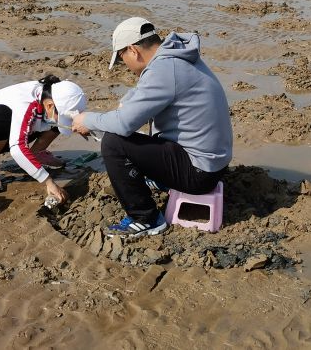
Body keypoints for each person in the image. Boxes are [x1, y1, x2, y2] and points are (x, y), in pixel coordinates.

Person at [72, 17, 233, 238]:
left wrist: (87, 120)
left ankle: (146, 218)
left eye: (121, 59)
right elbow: (141, 98)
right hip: (213, 162)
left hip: (200, 174)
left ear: (132, 51)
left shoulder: (164, 69)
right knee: (130, 134)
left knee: (114, 142)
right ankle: (161, 179)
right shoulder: (175, 58)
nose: (125, 67)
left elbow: (124, 123)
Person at [0, 76, 88, 202]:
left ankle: (36, 154)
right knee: (1, 113)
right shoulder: (26, 103)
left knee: (57, 122)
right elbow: (17, 149)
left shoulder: (51, 95)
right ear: (50, 105)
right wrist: (48, 182)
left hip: (16, 130)